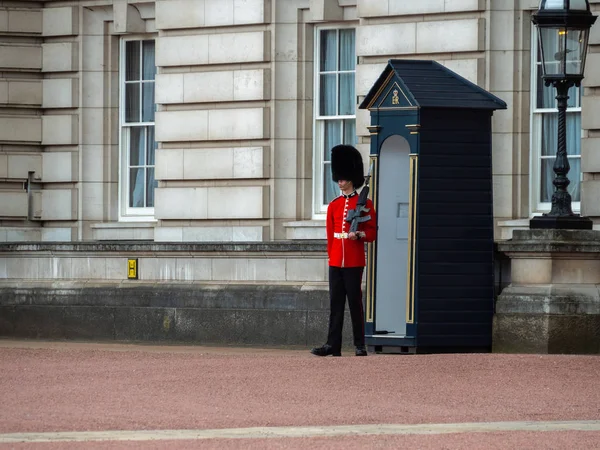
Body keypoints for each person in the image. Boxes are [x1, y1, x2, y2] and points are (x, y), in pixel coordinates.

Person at [311, 145, 377, 357]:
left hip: (354, 261)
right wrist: (333, 257)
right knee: (335, 305)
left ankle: (359, 344)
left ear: (351, 178)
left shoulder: (365, 203)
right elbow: (331, 236)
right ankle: (333, 345)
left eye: (343, 178)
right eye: (338, 178)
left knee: (355, 304)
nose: (340, 182)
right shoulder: (334, 205)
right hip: (336, 261)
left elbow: (372, 232)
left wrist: (359, 235)